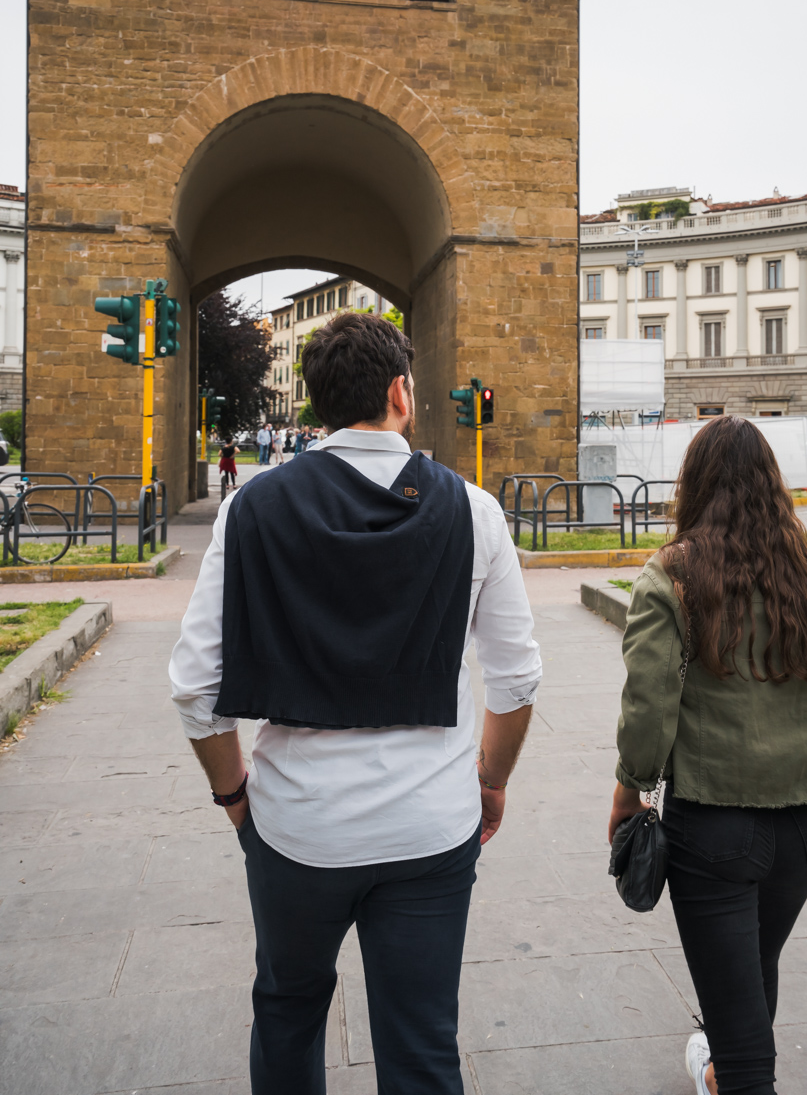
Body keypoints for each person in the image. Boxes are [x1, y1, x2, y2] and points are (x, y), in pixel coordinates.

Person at [169, 312, 541, 1094]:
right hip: (429, 829)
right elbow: (515, 681)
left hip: (296, 826)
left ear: (314, 405)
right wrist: (490, 780)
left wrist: (236, 795)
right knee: (420, 1044)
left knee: (287, 1011)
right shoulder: (472, 511)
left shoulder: (252, 508)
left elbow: (195, 686)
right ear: (400, 392)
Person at [609, 415, 807, 1095]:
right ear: (773, 486)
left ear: (692, 486)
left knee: (751, 1059)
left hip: (712, 831)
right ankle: (718, 1066)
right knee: (749, 966)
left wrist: (628, 795)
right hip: (804, 834)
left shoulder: (672, 576)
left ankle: (731, 1071)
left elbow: (647, 702)